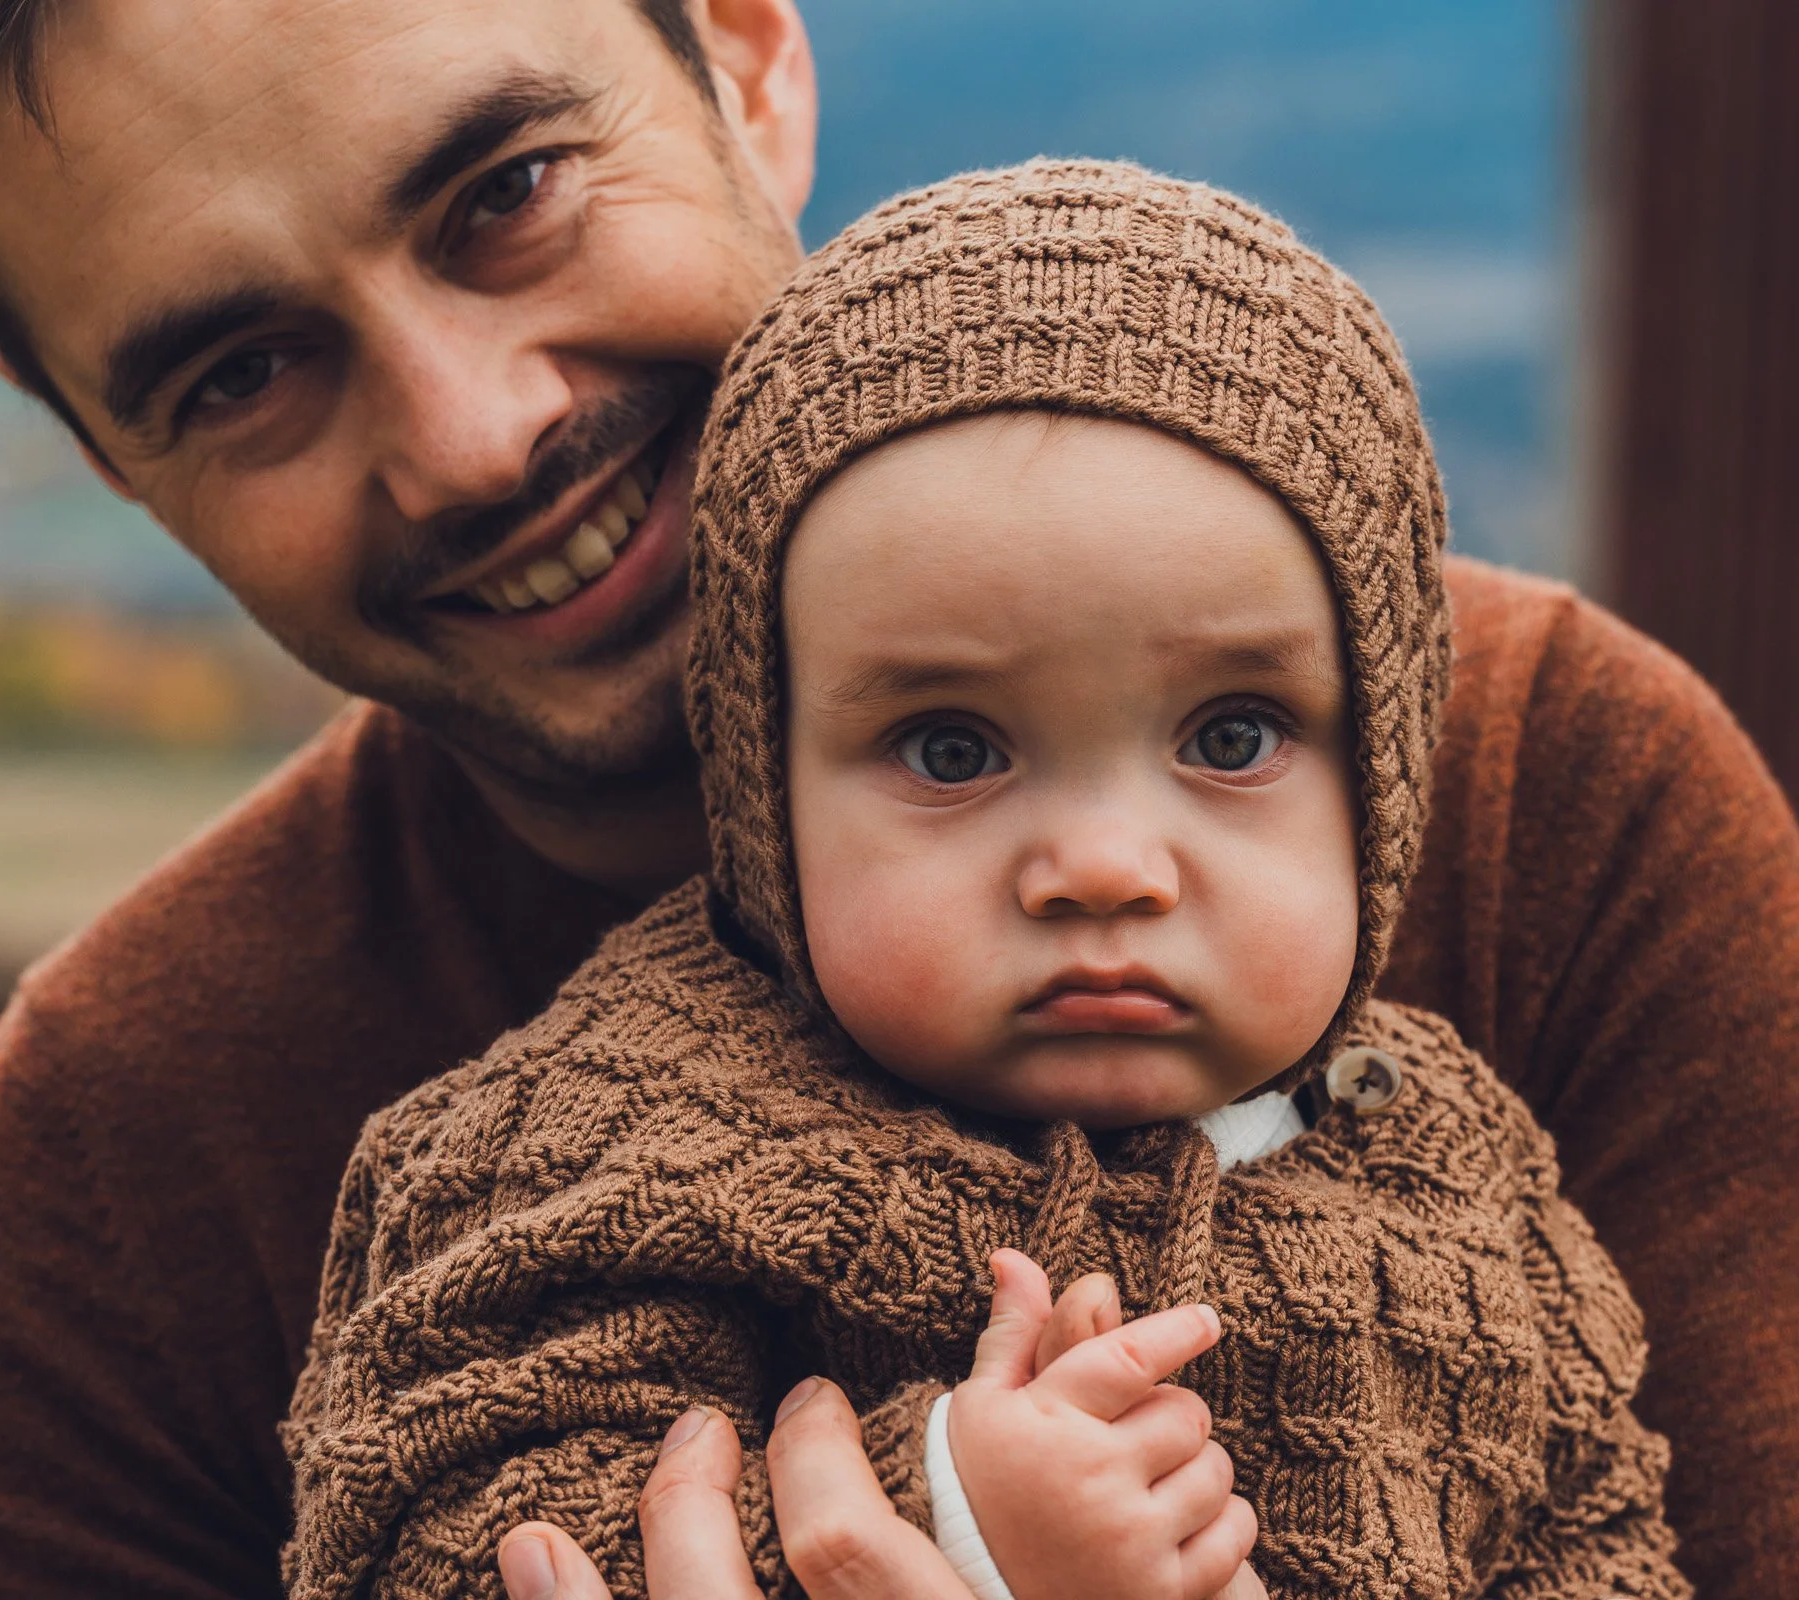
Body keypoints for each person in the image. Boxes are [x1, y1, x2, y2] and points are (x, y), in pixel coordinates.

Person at [0, 0, 1799, 1596]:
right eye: (241, 366)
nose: (473, 435)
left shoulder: (1561, 800)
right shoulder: (84, 1253)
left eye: (506, 191)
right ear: (91, 440)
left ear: (749, 63)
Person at [279, 160, 1688, 1600]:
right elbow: (439, 1523)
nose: (1100, 868)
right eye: (950, 748)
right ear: (764, 784)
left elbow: (1608, 1550)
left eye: (1233, 736)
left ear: (1380, 782)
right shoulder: (619, 1138)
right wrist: (954, 1510)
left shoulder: (1455, 1186)